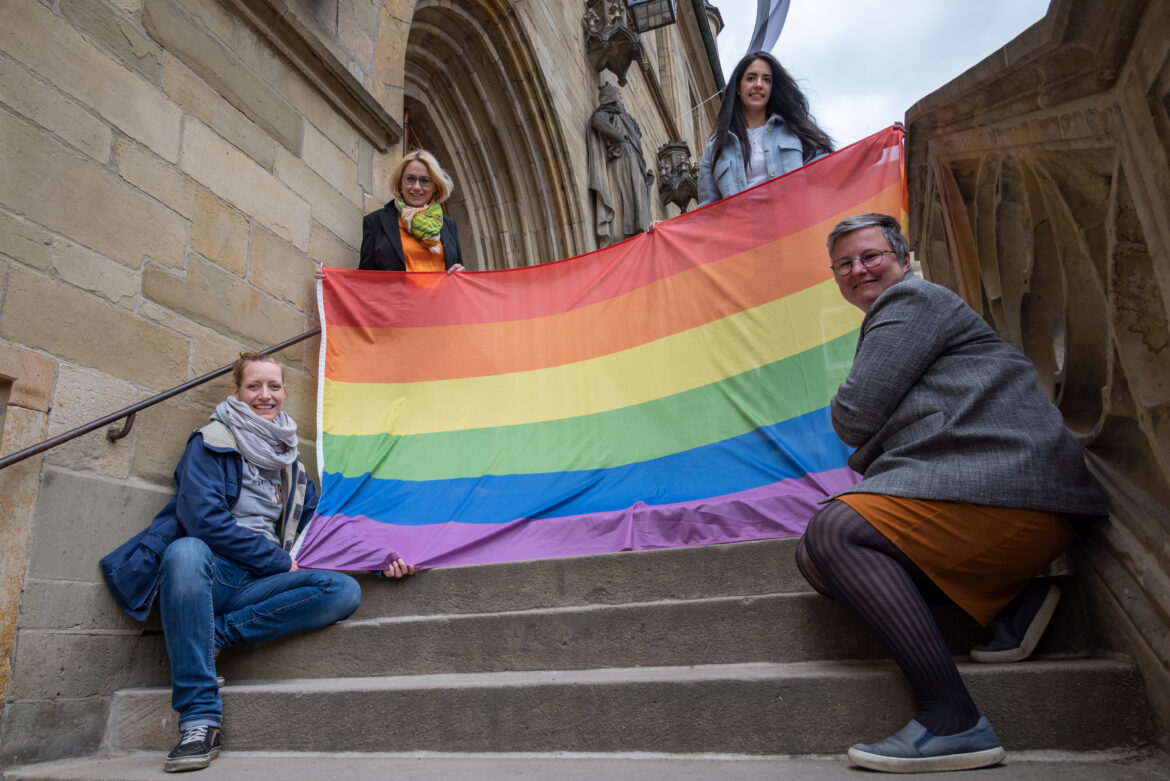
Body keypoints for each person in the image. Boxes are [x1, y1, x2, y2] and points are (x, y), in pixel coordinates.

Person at [797, 214, 1108, 773]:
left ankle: (953, 720)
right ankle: (1015, 600)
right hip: (998, 495)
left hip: (1012, 485)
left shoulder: (909, 300)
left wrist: (849, 400)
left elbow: (853, 415)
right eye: (843, 264)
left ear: (902, 258)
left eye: (870, 256)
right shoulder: (906, 311)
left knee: (835, 534)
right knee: (816, 560)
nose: (857, 270)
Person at [100, 352, 416, 773]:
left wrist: (377, 559)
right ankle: (199, 720)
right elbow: (203, 521)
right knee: (185, 550)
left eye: (274, 386)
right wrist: (277, 560)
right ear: (236, 392)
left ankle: (213, 635)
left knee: (342, 589)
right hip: (209, 575)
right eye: (254, 386)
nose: (265, 395)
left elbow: (318, 528)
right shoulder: (210, 442)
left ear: (284, 392)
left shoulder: (289, 461)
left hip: (259, 584)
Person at [697, 51, 833, 206]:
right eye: (751, 78)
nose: (759, 85)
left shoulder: (794, 131)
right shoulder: (716, 147)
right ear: (738, 88)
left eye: (766, 80)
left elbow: (827, 172)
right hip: (743, 221)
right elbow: (707, 210)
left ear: (772, 88)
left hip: (792, 219)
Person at [360, 149, 465, 273]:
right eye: (410, 179)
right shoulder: (375, 222)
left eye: (425, 181)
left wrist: (459, 274)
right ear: (400, 183)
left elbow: (457, 270)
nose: (416, 187)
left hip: (439, 287)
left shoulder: (448, 225)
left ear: (436, 186)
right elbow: (364, 278)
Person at [587, 83, 653, 245]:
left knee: (637, 197)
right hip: (624, 157)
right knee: (625, 197)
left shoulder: (622, 116)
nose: (621, 101)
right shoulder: (610, 111)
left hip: (633, 158)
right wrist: (620, 138)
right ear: (613, 97)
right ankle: (624, 233)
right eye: (619, 97)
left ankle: (638, 230)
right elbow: (597, 121)